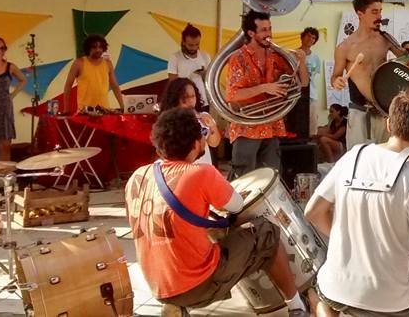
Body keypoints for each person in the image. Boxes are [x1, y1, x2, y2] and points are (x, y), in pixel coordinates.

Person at [305, 90, 409, 317]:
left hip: (336, 288)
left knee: (321, 292)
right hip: (386, 301)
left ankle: (321, 307)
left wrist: (348, 239)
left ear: (388, 124)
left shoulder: (352, 156)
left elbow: (313, 212)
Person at [124, 108, 309, 317]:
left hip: (157, 285)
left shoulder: (138, 177)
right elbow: (237, 205)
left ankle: (176, 304)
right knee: (267, 232)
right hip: (195, 286)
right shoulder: (201, 173)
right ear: (195, 144)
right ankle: (296, 306)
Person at [225, 10, 308, 178]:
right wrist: (264, 87)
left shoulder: (276, 55)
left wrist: (302, 63)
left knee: (271, 177)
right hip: (247, 126)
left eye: (269, 28)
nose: (269, 34)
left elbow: (303, 83)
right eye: (263, 30)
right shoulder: (238, 58)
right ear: (250, 33)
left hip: (272, 125)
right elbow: (232, 95)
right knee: (244, 177)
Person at [332, 0, 405, 147]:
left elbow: (408, 59)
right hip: (359, 111)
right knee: (358, 160)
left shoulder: (386, 39)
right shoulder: (345, 47)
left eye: (380, 11)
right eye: (374, 12)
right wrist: (337, 81)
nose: (379, 16)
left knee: (385, 158)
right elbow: (335, 76)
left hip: (384, 109)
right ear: (360, 14)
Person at [161, 78, 222, 166]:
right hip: (182, 168)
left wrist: (212, 126)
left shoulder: (203, 116)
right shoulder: (169, 120)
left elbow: (214, 144)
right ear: (175, 98)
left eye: (193, 96)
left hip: (204, 166)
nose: (190, 101)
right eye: (185, 97)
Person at [62, 34, 124, 113]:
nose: (98, 50)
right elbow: (68, 87)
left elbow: (115, 86)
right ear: (88, 48)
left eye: (100, 47)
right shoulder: (79, 63)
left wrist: (123, 106)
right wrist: (66, 109)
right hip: (84, 112)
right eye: (94, 47)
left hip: (105, 111)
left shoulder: (108, 63)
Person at [167, 24, 212, 110]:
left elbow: (210, 81)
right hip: (183, 102)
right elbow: (172, 82)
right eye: (190, 45)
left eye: (197, 44)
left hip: (203, 102)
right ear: (183, 42)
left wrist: (204, 74)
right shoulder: (175, 57)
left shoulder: (205, 56)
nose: (194, 48)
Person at [300, 27, 323, 136]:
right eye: (308, 36)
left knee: (312, 124)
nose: (311, 39)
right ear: (302, 37)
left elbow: (312, 76)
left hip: (311, 95)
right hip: (296, 95)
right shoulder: (293, 54)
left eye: (313, 38)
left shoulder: (316, 58)